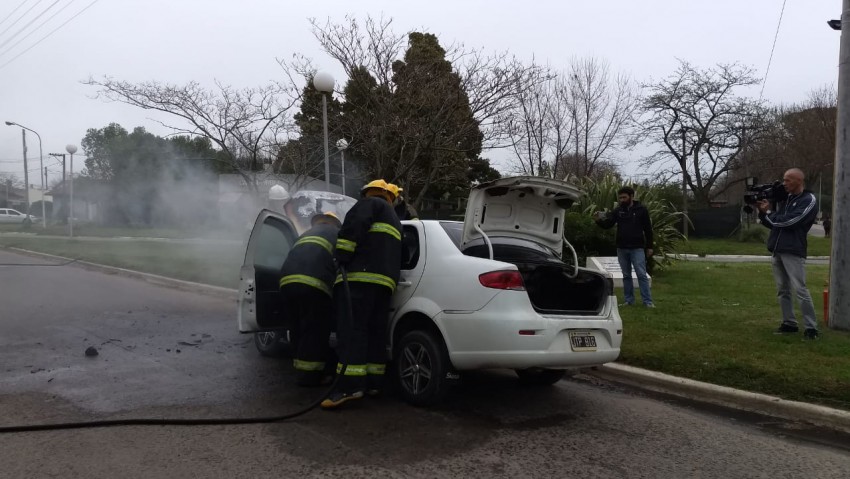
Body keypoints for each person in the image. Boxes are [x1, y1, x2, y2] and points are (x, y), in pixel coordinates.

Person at [321, 179, 402, 409]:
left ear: (370, 193)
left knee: (352, 331)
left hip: (360, 279)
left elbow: (352, 228)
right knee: (375, 332)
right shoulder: (395, 220)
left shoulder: (370, 204)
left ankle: (350, 387)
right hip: (385, 285)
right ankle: (375, 383)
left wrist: (342, 256)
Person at [278, 211, 341, 386]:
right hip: (314, 285)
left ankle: (300, 368)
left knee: (297, 327)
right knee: (315, 330)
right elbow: (343, 261)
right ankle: (309, 377)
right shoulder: (336, 234)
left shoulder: (305, 234)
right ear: (335, 223)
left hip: (286, 283)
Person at [757, 168, 819, 339]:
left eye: (788, 180)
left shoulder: (808, 200)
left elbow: (791, 222)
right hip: (777, 249)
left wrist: (769, 214)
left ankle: (811, 328)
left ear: (799, 181)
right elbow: (774, 223)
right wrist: (764, 214)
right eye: (784, 180)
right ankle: (789, 323)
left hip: (793, 250)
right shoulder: (786, 199)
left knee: (800, 289)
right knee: (782, 289)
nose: (784, 183)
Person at [594, 186, 655, 307]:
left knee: (641, 274)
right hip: (622, 248)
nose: (622, 200)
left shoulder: (642, 210)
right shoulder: (618, 211)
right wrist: (598, 221)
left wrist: (649, 246)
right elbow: (608, 224)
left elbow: (648, 229)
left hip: (637, 247)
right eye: (620, 197)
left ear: (631, 196)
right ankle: (629, 300)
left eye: (624, 197)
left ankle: (647, 301)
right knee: (626, 275)